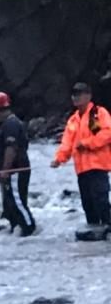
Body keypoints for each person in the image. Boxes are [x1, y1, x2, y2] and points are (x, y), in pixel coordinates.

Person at [51, 82, 111, 240]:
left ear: (88, 96)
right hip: (82, 169)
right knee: (87, 203)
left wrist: (87, 144)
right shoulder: (73, 120)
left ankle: (108, 229)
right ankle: (95, 234)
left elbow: (105, 134)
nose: (75, 97)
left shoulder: (96, 114)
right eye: (74, 94)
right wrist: (59, 159)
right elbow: (67, 144)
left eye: (79, 94)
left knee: (101, 200)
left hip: (98, 167)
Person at [0, 92, 35, 236]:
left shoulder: (11, 124)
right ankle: (16, 227)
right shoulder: (6, 125)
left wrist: (5, 170)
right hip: (10, 171)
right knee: (9, 204)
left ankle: (28, 227)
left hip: (16, 171)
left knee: (17, 202)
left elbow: (11, 148)